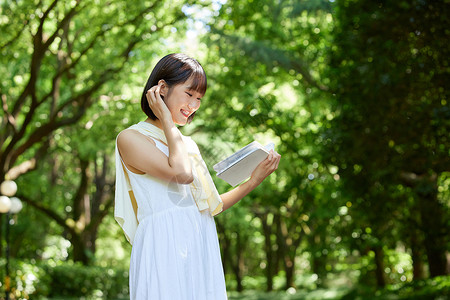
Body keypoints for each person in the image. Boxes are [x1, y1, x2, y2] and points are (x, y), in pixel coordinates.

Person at [114, 53, 281, 300]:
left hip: (199, 241)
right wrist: (167, 120)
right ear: (161, 88)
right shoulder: (130, 138)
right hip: (163, 245)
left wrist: (254, 179)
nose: (194, 105)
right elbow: (181, 174)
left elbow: (210, 206)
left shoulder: (186, 144)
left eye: (199, 98)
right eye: (189, 94)